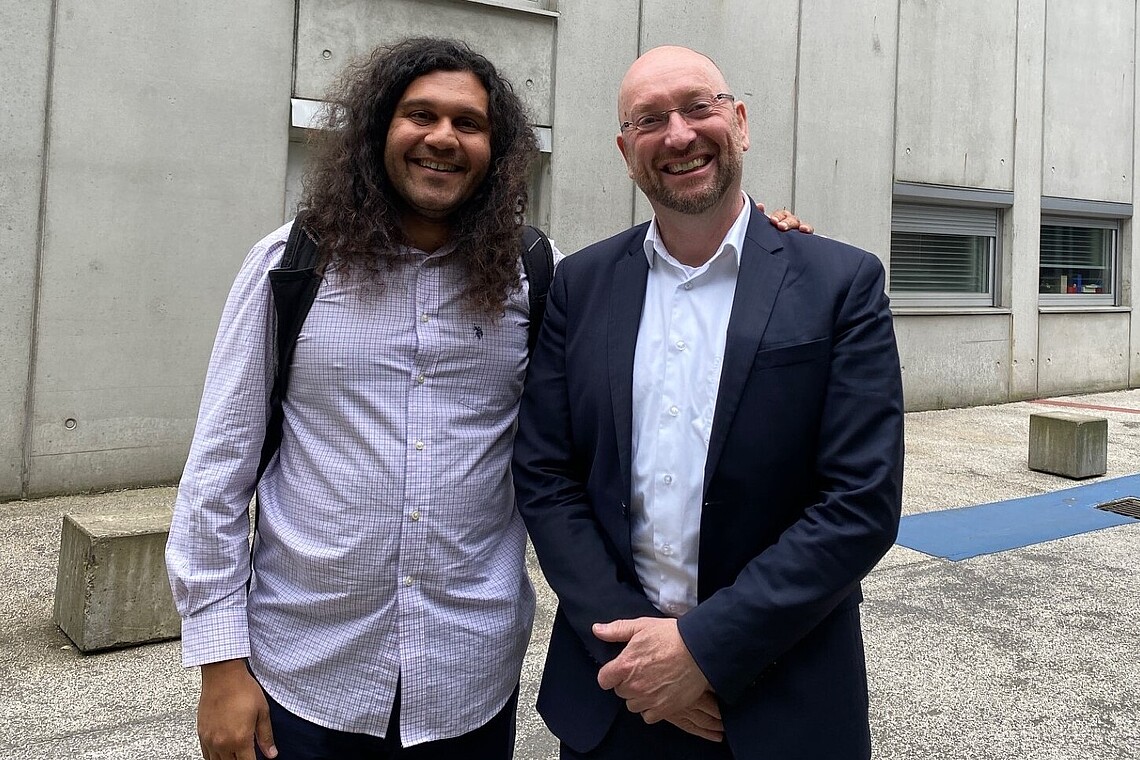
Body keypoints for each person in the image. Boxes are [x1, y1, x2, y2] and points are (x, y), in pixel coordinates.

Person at [166, 37, 809, 760]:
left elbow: (647, 315)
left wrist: (761, 246)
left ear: (497, 151)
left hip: (465, 684)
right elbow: (216, 477)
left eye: (469, 124)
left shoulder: (537, 276)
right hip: (305, 677)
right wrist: (220, 662)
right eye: (420, 115)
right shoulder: (291, 265)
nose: (443, 138)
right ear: (379, 131)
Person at [512, 45, 905, 760]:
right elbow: (545, 475)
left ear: (741, 121)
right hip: (614, 692)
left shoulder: (839, 282)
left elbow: (860, 502)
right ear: (626, 150)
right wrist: (641, 655)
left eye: (699, 106)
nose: (680, 134)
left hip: (783, 698)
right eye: (650, 120)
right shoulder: (581, 285)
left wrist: (699, 651)